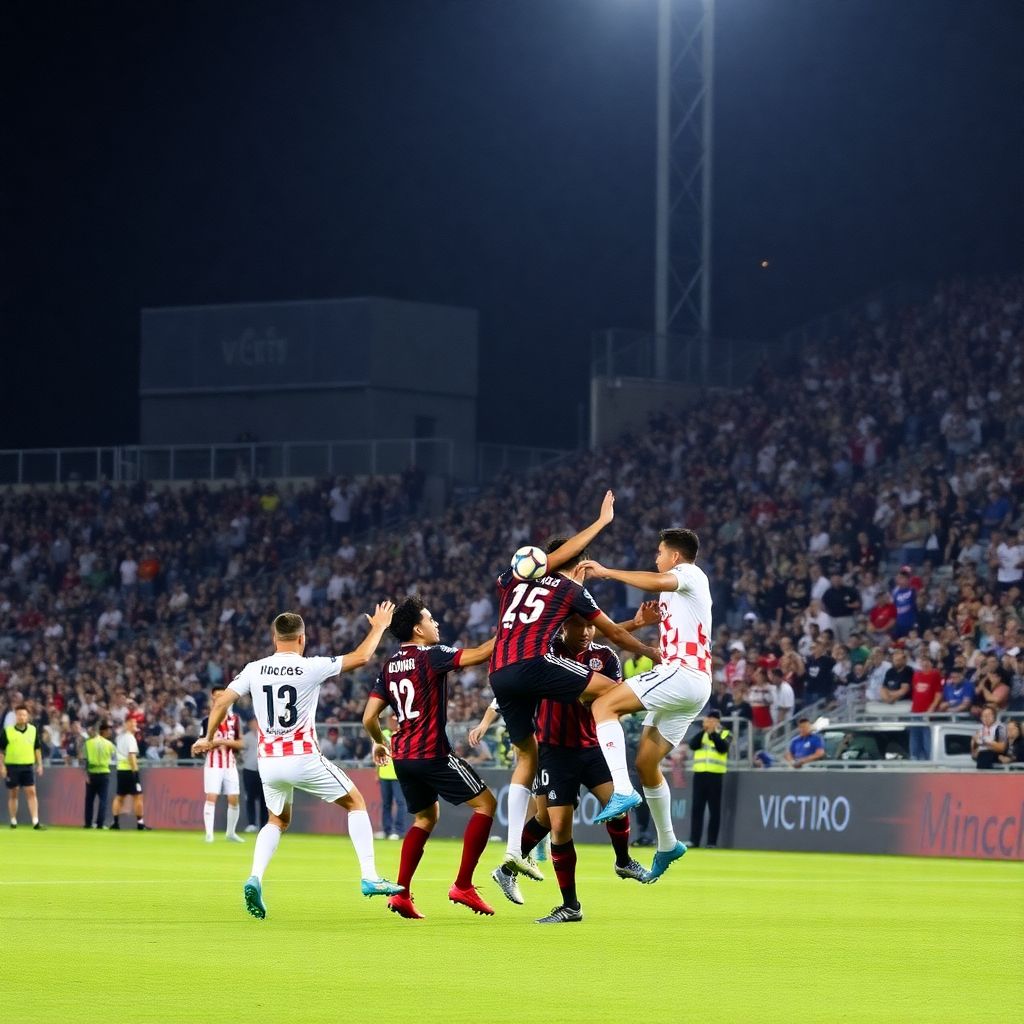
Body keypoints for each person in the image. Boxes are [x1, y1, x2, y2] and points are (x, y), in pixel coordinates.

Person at [487, 492, 660, 880]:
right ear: (574, 563)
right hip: (540, 685)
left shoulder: (513, 579)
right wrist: (601, 523)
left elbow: (595, 633)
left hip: (500, 671)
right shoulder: (570, 593)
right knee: (611, 694)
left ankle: (514, 851)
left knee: (525, 759)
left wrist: (635, 625)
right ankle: (630, 766)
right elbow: (608, 630)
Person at [194, 607, 403, 920]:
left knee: (277, 820)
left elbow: (222, 700)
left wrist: (208, 737)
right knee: (355, 802)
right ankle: (370, 876)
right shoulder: (311, 666)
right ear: (302, 639)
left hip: (268, 762)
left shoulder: (254, 669)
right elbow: (361, 657)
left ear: (274, 638)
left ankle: (254, 877)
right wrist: (380, 627)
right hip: (303, 757)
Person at [481, 604, 657, 922]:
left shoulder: (606, 657)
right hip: (555, 750)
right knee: (557, 824)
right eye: (579, 625)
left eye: (591, 626)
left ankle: (623, 861)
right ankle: (570, 905)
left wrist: (584, 691)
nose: (586, 632)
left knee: (618, 804)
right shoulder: (547, 653)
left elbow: (611, 699)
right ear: (564, 626)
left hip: (592, 747)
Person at [579, 527, 714, 883]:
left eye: (659, 553)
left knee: (604, 706)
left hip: (682, 673)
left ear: (675, 556)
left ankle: (622, 790)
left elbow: (657, 581)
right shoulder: (680, 591)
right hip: (693, 682)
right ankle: (668, 843)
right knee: (646, 762)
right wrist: (645, 624)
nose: (656, 559)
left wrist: (607, 572)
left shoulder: (689, 573)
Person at [361, 597, 497, 919]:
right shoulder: (432, 655)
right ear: (418, 629)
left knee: (425, 818)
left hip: (403, 756)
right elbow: (480, 654)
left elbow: (368, 717)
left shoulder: (389, 666)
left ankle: (401, 895)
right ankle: (463, 885)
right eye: (430, 619)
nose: (436, 624)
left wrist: (380, 742)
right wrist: (512, 628)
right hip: (432, 753)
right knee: (486, 805)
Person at [200, 686, 245, 843]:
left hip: (230, 764)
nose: (220, 698)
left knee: (234, 798)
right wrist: (212, 743)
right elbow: (202, 744)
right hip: (213, 764)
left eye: (222, 695)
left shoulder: (235, 720)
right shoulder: (206, 720)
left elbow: (241, 743)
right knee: (211, 796)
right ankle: (209, 834)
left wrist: (221, 741)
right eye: (217, 696)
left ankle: (230, 833)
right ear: (212, 699)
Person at [687, 710, 730, 849]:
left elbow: (723, 748)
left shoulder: (725, 733)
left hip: (715, 775)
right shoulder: (701, 734)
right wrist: (704, 731)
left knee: (714, 809)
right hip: (699, 774)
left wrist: (713, 733)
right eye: (708, 719)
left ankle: (712, 842)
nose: (710, 722)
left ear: (718, 721)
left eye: (712, 720)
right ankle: (694, 840)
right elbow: (692, 745)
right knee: (697, 808)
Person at [0, 704, 45, 829]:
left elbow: (37, 748)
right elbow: (1, 751)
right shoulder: (8, 731)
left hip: (28, 766)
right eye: (19, 714)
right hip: (12, 766)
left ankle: (35, 821)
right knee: (13, 793)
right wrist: (2, 766)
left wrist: (40, 764)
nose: (22, 717)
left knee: (31, 792)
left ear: (27, 717)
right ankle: (13, 820)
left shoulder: (33, 730)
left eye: (24, 715)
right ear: (16, 716)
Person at [111, 717, 150, 830]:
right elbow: (131, 756)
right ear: (127, 724)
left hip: (120, 770)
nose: (135, 725)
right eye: (133, 723)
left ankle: (115, 823)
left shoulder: (120, 738)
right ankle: (140, 824)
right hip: (130, 771)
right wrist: (135, 772)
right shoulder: (130, 738)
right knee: (138, 797)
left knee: (120, 797)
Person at [376, 712, 406, 840]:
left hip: (398, 775)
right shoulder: (383, 734)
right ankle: (387, 830)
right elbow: (378, 754)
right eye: (389, 720)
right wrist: (377, 772)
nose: (390, 722)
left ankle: (398, 831)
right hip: (384, 774)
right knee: (386, 804)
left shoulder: (403, 734)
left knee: (400, 803)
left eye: (393, 720)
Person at [83, 721, 116, 829]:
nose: (110, 732)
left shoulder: (88, 743)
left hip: (91, 774)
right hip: (104, 773)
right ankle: (100, 824)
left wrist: (86, 774)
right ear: (103, 731)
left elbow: (85, 760)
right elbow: (114, 757)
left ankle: (88, 823)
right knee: (103, 800)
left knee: (89, 800)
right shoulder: (109, 744)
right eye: (108, 730)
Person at [908, 656, 943, 760]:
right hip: (915, 711)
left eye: (927, 662)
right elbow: (915, 692)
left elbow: (938, 694)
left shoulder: (935, 675)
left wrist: (931, 709)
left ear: (931, 664)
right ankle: (914, 757)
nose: (925, 664)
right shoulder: (916, 675)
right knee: (914, 735)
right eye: (923, 662)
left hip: (927, 712)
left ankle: (929, 758)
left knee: (927, 736)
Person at [240, 718, 268, 832]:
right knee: (250, 797)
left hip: (264, 771)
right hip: (249, 770)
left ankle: (263, 824)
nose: (254, 725)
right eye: (252, 723)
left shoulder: (267, 736)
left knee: (264, 798)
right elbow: (240, 752)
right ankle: (251, 823)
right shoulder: (246, 738)